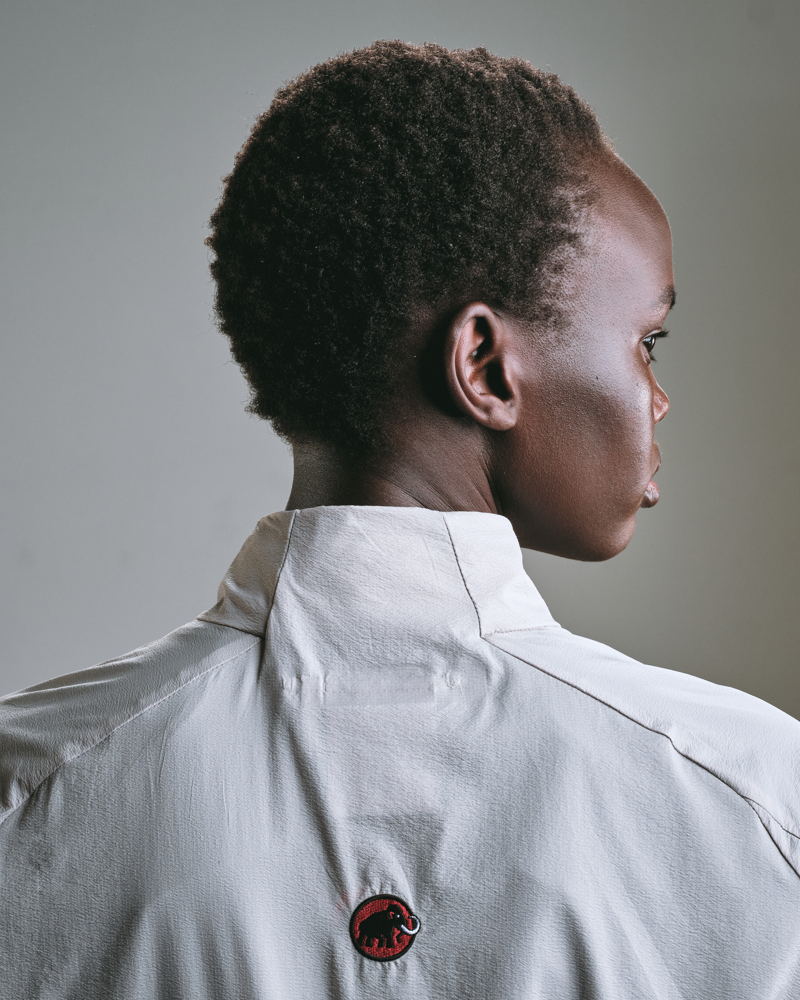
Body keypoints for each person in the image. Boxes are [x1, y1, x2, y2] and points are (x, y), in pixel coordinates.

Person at [1, 39, 798, 999]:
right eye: (648, 340)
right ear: (485, 367)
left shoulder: (27, 786)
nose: (658, 399)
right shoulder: (756, 802)